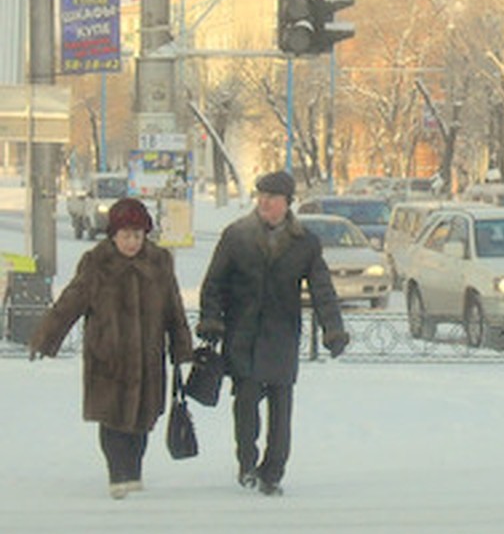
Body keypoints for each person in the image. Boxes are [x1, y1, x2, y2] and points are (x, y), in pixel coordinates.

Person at [29, 196, 194, 499]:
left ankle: (134, 472)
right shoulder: (97, 263)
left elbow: (174, 309)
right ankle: (118, 474)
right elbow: (70, 303)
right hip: (108, 359)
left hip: (147, 359)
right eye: (126, 235)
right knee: (113, 419)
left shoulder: (159, 262)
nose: (132, 242)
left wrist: (182, 347)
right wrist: (46, 337)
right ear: (113, 235)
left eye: (138, 235)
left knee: (144, 419)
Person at [197, 170, 349, 496]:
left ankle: (273, 471)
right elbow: (214, 284)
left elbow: (322, 289)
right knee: (246, 404)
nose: (264, 202)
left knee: (281, 407)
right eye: (261, 195)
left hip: (281, 335)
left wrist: (333, 330)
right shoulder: (236, 236)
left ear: (287, 203)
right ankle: (247, 463)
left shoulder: (304, 242)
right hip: (244, 335)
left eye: (272, 197)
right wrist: (212, 321)